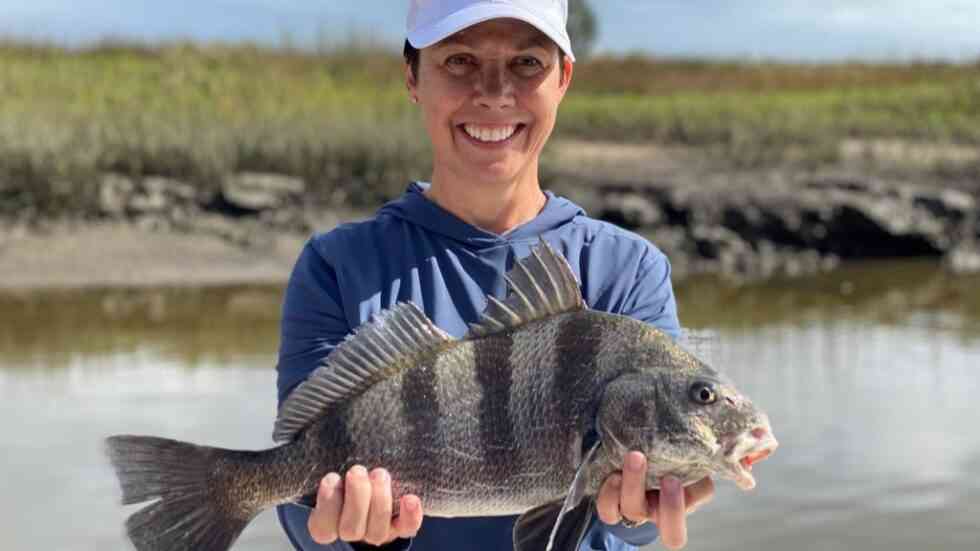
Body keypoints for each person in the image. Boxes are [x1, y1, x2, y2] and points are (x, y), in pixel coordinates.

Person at [275, 1, 715, 550]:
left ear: (563, 78)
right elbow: (297, 497)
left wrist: (640, 514)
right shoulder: (335, 267)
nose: (493, 92)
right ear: (412, 76)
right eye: (459, 60)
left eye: (526, 63)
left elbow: (639, 523)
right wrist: (355, 538)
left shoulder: (629, 271)